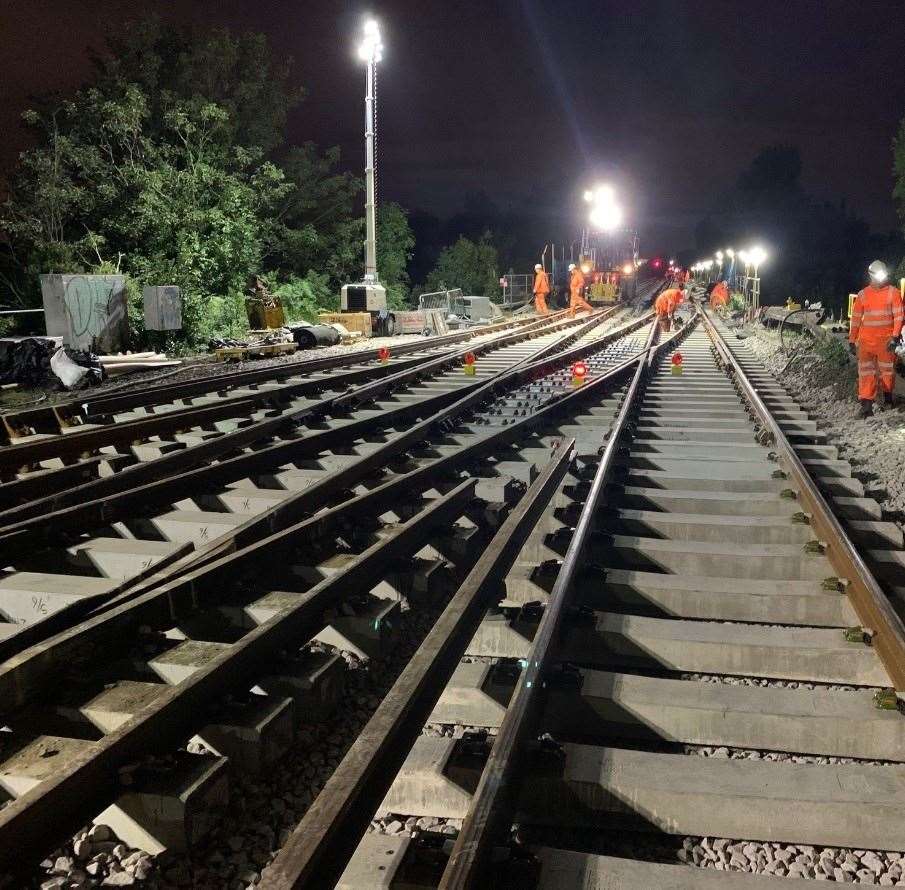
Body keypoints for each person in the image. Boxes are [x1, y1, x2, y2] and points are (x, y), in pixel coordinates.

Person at [848, 260, 903, 416]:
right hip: (866, 343)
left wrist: (894, 337)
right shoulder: (863, 295)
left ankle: (888, 399)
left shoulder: (893, 292)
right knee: (866, 373)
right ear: (870, 275)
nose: (881, 279)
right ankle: (866, 406)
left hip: (886, 342)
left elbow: (899, 316)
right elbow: (856, 319)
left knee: (887, 372)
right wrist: (852, 340)